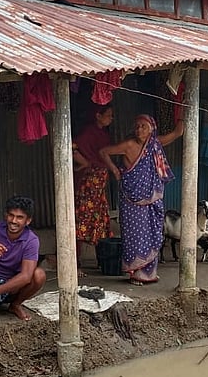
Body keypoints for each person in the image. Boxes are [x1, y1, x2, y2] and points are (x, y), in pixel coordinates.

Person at [100, 114, 184, 285]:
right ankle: (136, 274)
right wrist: (115, 170)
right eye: (137, 126)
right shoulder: (129, 144)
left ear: (152, 128)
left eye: (143, 126)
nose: (139, 129)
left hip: (152, 199)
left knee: (153, 233)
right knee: (135, 235)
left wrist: (181, 109)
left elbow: (178, 133)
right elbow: (103, 152)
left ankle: (149, 274)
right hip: (131, 199)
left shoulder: (155, 144)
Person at [72, 106, 115, 266]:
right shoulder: (89, 133)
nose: (111, 118)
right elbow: (72, 147)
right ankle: (75, 264)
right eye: (109, 115)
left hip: (98, 185)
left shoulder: (103, 134)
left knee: (98, 221)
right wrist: (85, 163)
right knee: (81, 220)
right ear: (98, 115)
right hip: (88, 184)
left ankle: (102, 261)